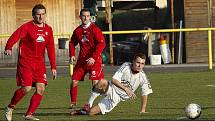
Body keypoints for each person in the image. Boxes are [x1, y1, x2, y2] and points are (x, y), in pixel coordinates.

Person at [4, 4, 57, 121]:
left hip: (39, 64)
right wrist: (8, 47)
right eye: (38, 14)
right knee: (26, 88)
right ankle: (10, 108)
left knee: (41, 88)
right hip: (26, 62)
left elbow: (51, 48)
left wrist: (53, 67)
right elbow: (15, 36)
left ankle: (28, 114)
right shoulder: (27, 27)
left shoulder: (48, 29)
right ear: (33, 15)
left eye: (43, 14)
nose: (41, 16)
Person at [86, 53, 153, 115]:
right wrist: (125, 88)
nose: (140, 65)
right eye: (138, 62)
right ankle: (88, 104)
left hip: (117, 98)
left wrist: (143, 110)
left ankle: (91, 110)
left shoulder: (143, 76)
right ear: (133, 61)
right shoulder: (126, 65)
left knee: (91, 113)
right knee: (102, 81)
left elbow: (145, 93)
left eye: (142, 63)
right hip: (111, 87)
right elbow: (113, 80)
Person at [69, 8, 106, 115]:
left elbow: (101, 44)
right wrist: (71, 54)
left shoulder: (95, 29)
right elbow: (72, 43)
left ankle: (91, 104)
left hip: (94, 61)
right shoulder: (77, 31)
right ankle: (73, 103)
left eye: (88, 16)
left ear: (90, 17)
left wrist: (94, 57)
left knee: (95, 83)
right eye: (84, 16)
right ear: (80, 17)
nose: (86, 18)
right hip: (82, 61)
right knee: (74, 81)